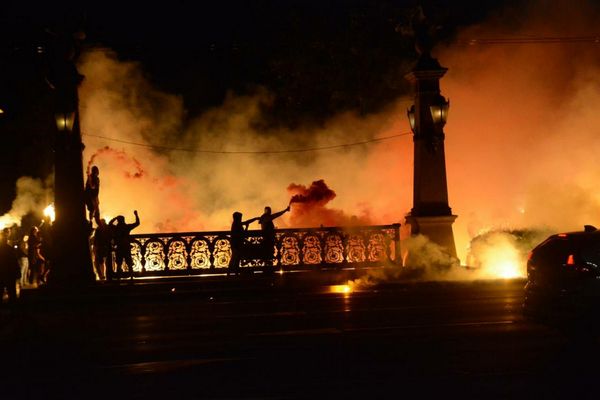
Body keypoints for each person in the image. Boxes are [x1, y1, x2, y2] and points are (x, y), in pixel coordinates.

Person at [253, 205, 290, 273]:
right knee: (268, 255)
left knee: (267, 255)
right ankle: (268, 270)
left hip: (266, 239)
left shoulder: (263, 217)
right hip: (268, 239)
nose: (270, 212)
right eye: (269, 210)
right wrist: (285, 210)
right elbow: (277, 214)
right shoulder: (267, 217)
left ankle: (267, 269)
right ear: (267, 211)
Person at [109, 211, 140, 280]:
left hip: (119, 247)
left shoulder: (116, 228)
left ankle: (118, 278)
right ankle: (131, 277)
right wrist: (136, 215)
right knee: (129, 263)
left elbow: (109, 224)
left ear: (118, 221)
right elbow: (137, 223)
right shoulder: (127, 227)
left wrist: (114, 218)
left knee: (119, 263)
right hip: (126, 246)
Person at [0, 228, 20, 307]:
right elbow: (14, 261)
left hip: (2, 273)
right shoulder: (10, 249)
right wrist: (17, 271)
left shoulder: (9, 249)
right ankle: (13, 310)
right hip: (9, 274)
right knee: (12, 293)